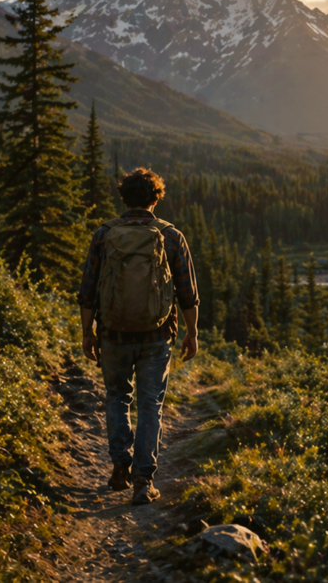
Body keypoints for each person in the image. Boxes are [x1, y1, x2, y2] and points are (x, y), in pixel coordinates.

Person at [78, 167, 199, 505]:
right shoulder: (170, 235)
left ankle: (120, 466)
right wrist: (192, 332)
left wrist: (88, 332)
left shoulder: (104, 234)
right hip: (157, 334)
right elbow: (188, 292)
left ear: (124, 198)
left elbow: (87, 290)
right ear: (156, 198)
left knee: (117, 397)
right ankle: (144, 481)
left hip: (113, 333)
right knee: (150, 404)